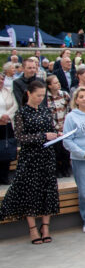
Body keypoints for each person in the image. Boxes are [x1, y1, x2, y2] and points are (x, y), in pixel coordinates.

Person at [0, 81, 60, 243]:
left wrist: (56, 134)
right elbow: (20, 137)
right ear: (29, 94)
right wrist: (43, 136)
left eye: (43, 95)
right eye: (38, 95)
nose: (41, 98)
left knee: (48, 190)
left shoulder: (46, 110)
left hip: (47, 155)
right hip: (30, 158)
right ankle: (33, 228)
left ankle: (45, 226)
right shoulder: (22, 113)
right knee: (30, 192)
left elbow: (51, 129)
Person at [45, 76, 71, 177]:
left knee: (65, 151)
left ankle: (66, 169)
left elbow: (69, 109)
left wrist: (65, 125)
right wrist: (56, 127)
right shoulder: (46, 98)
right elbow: (47, 115)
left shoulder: (65, 95)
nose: (58, 84)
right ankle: (57, 170)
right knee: (56, 151)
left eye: (58, 82)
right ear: (49, 86)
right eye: (55, 83)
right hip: (53, 128)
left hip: (65, 126)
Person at [0, 73, 18, 184]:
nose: (1, 81)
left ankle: (4, 176)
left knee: (6, 150)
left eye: (2, 79)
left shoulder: (8, 91)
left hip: (7, 123)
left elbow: (15, 105)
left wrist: (7, 116)